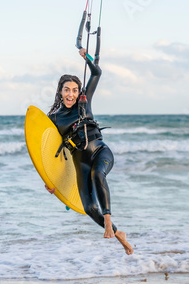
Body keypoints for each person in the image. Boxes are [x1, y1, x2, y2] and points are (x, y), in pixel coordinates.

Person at [45, 48, 133, 255]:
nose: (71, 94)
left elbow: (96, 73)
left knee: (97, 174)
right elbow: (50, 153)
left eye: (75, 90)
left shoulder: (85, 103)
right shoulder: (54, 119)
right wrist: (50, 181)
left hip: (100, 153)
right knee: (89, 208)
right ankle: (120, 234)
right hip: (80, 163)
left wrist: (87, 58)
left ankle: (109, 221)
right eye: (67, 90)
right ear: (60, 91)